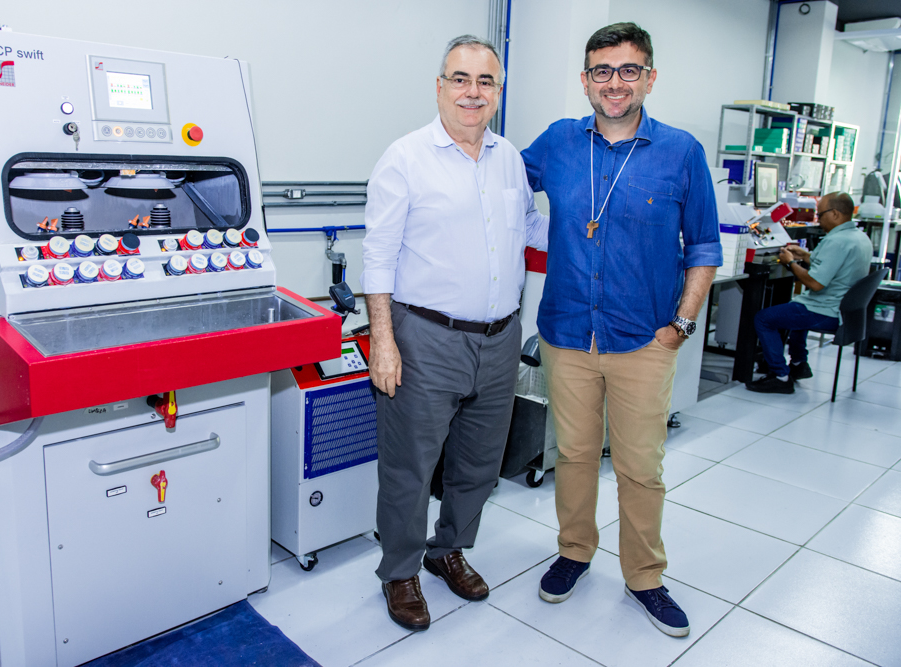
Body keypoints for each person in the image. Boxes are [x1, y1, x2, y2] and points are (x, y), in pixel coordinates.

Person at [520, 22, 721, 637]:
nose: (615, 83)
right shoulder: (557, 142)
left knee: (639, 466)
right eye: (602, 71)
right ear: (585, 80)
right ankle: (574, 551)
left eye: (629, 70)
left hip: (644, 339)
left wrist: (681, 324)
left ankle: (645, 576)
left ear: (649, 78)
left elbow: (704, 247)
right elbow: (493, 186)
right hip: (566, 334)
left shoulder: (681, 152)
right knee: (575, 455)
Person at [361, 34, 548, 632]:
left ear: (498, 92)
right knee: (411, 467)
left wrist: (595, 230)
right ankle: (400, 571)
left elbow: (531, 231)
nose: (473, 92)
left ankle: (448, 549)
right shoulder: (405, 158)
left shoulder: (509, 158)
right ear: (439, 87)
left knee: (479, 462)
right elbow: (378, 258)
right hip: (426, 338)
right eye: (460, 79)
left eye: (485, 81)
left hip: (499, 337)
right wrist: (383, 342)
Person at [747, 192, 873, 394]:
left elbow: (815, 284)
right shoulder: (859, 237)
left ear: (835, 214)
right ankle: (799, 364)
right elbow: (834, 266)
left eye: (820, 214)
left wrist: (790, 263)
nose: (818, 219)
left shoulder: (836, 241)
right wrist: (806, 256)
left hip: (826, 311)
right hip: (846, 312)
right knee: (798, 305)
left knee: (763, 318)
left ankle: (780, 376)